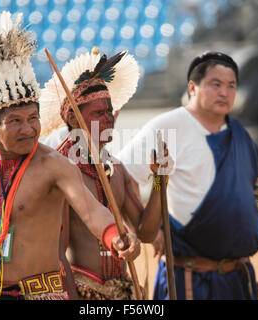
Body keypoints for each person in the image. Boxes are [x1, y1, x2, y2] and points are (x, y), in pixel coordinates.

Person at [0, 12, 140, 300]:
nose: (28, 129)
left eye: (33, 118)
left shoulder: (55, 165)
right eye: (15, 121)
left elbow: (93, 212)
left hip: (38, 295)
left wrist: (116, 237)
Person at [117, 51, 258, 300]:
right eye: (216, 84)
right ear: (192, 87)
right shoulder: (167, 126)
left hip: (236, 278)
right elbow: (121, 175)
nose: (225, 92)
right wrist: (145, 228)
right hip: (188, 279)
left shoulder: (243, 137)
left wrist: (242, 223)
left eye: (231, 86)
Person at [39, 48, 172, 300]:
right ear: (72, 117)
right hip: (79, 290)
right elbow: (54, 253)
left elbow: (144, 232)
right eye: (99, 113)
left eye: (110, 111)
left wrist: (159, 180)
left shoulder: (117, 169)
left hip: (122, 291)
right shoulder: (58, 168)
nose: (109, 119)